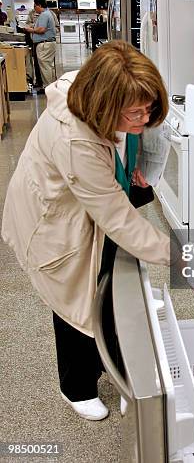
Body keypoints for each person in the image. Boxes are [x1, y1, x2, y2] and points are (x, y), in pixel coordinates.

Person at [1, 40, 170, 421]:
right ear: (106, 106)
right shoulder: (75, 138)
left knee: (107, 287)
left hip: (88, 200)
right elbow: (117, 219)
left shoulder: (100, 91)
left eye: (149, 109)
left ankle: (112, 357)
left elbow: (127, 146)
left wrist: (138, 171)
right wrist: (184, 255)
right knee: (75, 294)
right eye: (135, 113)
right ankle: (75, 386)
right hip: (53, 220)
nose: (144, 119)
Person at [25, 0, 57, 93]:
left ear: (39, 5)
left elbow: (41, 29)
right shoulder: (48, 13)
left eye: (35, 6)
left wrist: (31, 30)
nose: (34, 9)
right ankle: (51, 86)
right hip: (48, 43)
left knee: (45, 67)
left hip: (44, 44)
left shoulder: (44, 15)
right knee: (48, 66)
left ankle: (47, 87)